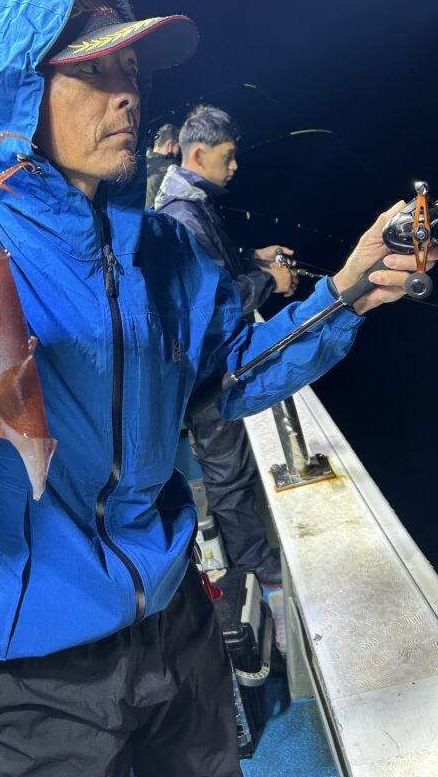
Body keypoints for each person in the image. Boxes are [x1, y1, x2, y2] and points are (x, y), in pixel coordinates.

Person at [0, 0, 438, 777]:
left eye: (131, 71)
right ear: (19, 92)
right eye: (91, 70)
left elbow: (229, 376)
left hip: (176, 621)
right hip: (36, 674)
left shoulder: (168, 249)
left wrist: (348, 290)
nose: (128, 95)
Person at [155, 104, 298, 584]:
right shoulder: (182, 215)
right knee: (227, 469)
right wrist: (271, 281)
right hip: (205, 367)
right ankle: (254, 563)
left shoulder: (191, 203)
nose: (234, 166)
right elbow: (212, 303)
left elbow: (213, 265)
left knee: (230, 463)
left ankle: (250, 554)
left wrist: (254, 256)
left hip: (214, 359)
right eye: (228, 156)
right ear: (198, 153)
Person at [145, 121, 180, 207]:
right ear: (170, 145)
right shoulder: (171, 167)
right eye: (177, 147)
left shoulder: (139, 161)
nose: (178, 152)